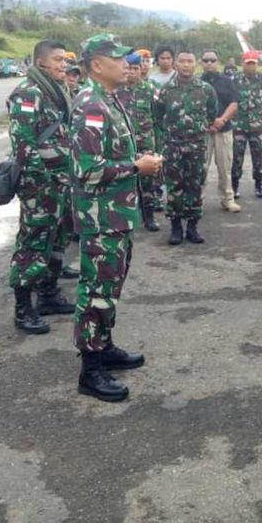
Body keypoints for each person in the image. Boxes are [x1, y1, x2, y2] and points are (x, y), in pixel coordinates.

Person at [69, 34, 163, 403]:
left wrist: (137, 160)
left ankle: (103, 347)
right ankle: (90, 370)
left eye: (130, 59)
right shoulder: (91, 104)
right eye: (120, 59)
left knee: (109, 288)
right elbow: (86, 169)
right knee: (96, 291)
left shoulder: (108, 99)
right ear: (96, 65)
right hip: (101, 217)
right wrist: (136, 166)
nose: (129, 65)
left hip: (116, 214)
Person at [6, 39, 76, 335]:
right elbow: (24, 146)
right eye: (59, 59)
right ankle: (23, 308)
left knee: (57, 239)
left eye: (65, 60)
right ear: (41, 62)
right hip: (40, 186)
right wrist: (43, 181)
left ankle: (48, 294)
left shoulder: (56, 90)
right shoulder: (27, 93)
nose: (64, 65)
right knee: (32, 243)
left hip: (60, 180)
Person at [156, 50, 218, 245]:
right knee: (174, 186)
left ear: (195, 64)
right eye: (182, 61)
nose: (185, 65)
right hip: (173, 146)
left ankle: (192, 227)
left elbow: (212, 113)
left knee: (195, 185)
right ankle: (175, 228)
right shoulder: (166, 90)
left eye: (189, 61)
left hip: (197, 146)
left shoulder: (206, 89)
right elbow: (157, 116)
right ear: (176, 64)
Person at [114, 52, 162, 232]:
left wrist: (157, 145)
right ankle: (123, 218)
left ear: (141, 69)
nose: (132, 72)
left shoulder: (150, 89)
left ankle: (148, 217)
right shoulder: (115, 91)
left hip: (145, 144)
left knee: (148, 182)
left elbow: (157, 117)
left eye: (136, 68)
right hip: (123, 145)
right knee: (124, 180)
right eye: (129, 68)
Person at [200, 50, 241, 212]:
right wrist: (208, 123)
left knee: (225, 167)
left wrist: (221, 120)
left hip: (223, 130)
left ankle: (227, 199)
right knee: (201, 167)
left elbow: (234, 104)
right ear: (201, 62)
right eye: (206, 60)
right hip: (203, 131)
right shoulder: (197, 83)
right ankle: (198, 199)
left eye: (212, 60)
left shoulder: (227, 81)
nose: (209, 63)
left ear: (218, 62)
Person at [232, 50, 262, 200]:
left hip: (257, 127)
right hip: (239, 126)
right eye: (248, 64)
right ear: (242, 64)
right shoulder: (235, 80)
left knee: (258, 158)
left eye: (253, 64)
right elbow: (230, 100)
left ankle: (259, 185)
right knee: (236, 157)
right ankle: (234, 186)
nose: (251, 67)